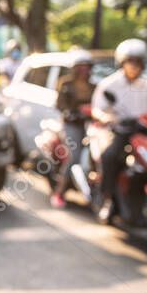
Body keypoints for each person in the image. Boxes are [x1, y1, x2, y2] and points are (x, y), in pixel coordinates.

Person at [91, 38, 147, 223]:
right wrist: (106, 117)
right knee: (110, 157)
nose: (134, 66)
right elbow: (97, 109)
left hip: (146, 133)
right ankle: (108, 200)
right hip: (122, 132)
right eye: (130, 62)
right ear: (122, 63)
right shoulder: (110, 84)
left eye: (138, 62)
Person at [50, 49, 96, 209]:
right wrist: (73, 113)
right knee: (74, 156)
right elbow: (60, 105)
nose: (84, 70)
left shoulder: (94, 86)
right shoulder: (65, 84)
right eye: (81, 67)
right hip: (72, 125)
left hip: (93, 125)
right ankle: (59, 192)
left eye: (87, 67)